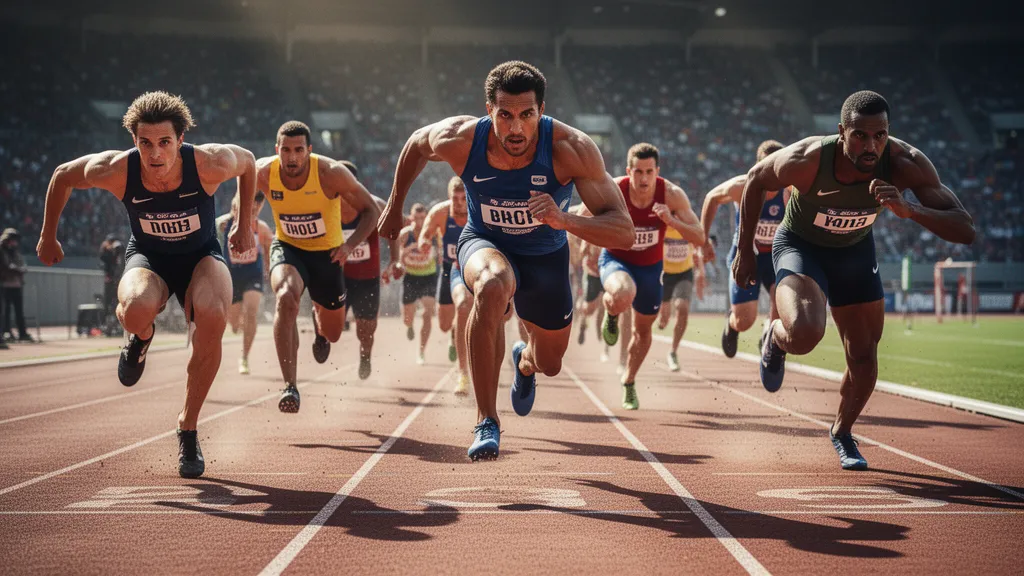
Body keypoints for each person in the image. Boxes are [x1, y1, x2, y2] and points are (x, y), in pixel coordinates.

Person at [378, 60, 634, 460]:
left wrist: (561, 218)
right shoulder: (462, 139)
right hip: (484, 240)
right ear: (489, 110)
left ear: (541, 111)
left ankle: (524, 361)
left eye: (527, 115)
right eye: (505, 115)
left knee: (550, 363)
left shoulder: (571, 149)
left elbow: (623, 230)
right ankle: (486, 421)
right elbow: (416, 143)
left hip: (545, 257)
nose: (516, 128)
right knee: (492, 284)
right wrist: (395, 207)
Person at [733, 91, 975, 470]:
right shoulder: (809, 158)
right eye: (861, 135)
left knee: (864, 357)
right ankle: (773, 337)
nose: (871, 145)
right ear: (841, 131)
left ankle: (842, 432)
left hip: (855, 252)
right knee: (805, 333)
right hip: (801, 245)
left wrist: (910, 209)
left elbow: (965, 229)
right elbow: (755, 179)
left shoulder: (905, 162)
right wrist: (745, 250)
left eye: (880, 135)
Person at [37, 91, 258, 478]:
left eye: (164, 143)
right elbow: (62, 175)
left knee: (213, 316)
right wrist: (48, 235)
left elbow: (249, 162)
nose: (155, 153)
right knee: (134, 309)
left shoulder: (209, 163)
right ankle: (141, 336)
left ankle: (187, 428)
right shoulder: (116, 169)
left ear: (181, 139)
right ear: (134, 141)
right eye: (145, 143)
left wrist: (243, 225)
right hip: (150, 258)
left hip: (202, 256)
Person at [259, 121, 380, 413]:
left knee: (334, 333)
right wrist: (239, 225)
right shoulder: (264, 171)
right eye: (285, 150)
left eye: (298, 150)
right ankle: (290, 386)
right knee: (286, 297)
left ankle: (320, 323)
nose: (291, 157)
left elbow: (371, 211)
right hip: (288, 247)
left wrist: (349, 247)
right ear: (277, 150)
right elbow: (244, 179)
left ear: (309, 151)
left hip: (327, 256)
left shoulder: (330, 173)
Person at [592, 143, 705, 409]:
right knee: (622, 293)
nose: (643, 179)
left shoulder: (672, 196)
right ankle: (612, 311)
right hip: (615, 259)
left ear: (657, 171)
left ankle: (629, 381)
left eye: (649, 172)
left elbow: (699, 236)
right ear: (629, 171)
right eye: (638, 172)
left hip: (651, 270)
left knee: (643, 333)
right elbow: (583, 214)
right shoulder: (615, 189)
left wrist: (671, 221)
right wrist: (555, 218)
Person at [698, 140, 790, 358]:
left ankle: (770, 332)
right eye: (768, 167)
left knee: (782, 307)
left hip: (776, 257)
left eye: (779, 168)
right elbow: (712, 198)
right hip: (746, 256)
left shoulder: (790, 191)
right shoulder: (742, 186)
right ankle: (732, 324)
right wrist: (704, 241)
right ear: (758, 167)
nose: (773, 175)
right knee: (745, 320)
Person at [339, 160, 398, 380]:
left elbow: (393, 230)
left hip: (367, 278)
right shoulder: (326, 205)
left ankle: (365, 356)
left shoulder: (375, 205)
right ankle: (321, 337)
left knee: (366, 329)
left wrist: (394, 260)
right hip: (339, 276)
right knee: (330, 325)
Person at [419, 176, 473, 392]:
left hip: (473, 270)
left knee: (464, 308)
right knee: (443, 324)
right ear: (449, 198)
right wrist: (424, 243)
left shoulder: (476, 210)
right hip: (449, 269)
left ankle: (463, 374)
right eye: (455, 198)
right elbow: (426, 234)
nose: (460, 203)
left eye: (463, 198)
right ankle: (454, 332)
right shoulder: (440, 213)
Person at [215, 191, 273, 374]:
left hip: (252, 275)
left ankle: (245, 357)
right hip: (231, 277)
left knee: (251, 311)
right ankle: (239, 325)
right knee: (233, 325)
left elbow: (270, 251)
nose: (253, 210)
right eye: (250, 206)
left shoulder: (261, 228)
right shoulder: (223, 224)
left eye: (257, 207)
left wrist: (272, 273)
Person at [658, 215, 705, 372]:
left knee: (682, 307)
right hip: (664, 273)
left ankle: (673, 351)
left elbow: (698, 246)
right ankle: (663, 311)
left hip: (684, 272)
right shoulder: (661, 224)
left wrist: (701, 272)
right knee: (663, 321)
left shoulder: (687, 223)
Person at [397, 203, 439, 365]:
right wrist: (402, 262)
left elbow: (440, 252)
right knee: (407, 318)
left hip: (428, 276)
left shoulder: (433, 233)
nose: (420, 222)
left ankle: (421, 351)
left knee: (428, 312)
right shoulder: (405, 235)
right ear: (411, 218)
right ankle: (409, 326)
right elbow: (399, 257)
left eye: (423, 218)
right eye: (417, 218)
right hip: (411, 277)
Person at [1, 228, 32, 343]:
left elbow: (22, 266)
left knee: (19, 311)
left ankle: (22, 333)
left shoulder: (15, 252)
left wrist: (18, 270)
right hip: (5, 285)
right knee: (5, 311)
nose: (14, 242)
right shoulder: (2, 251)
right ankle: (6, 332)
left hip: (16, 285)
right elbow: (6, 267)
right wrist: (16, 270)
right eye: (12, 240)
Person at [98, 233, 126, 336]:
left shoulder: (117, 249)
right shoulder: (105, 252)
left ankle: (117, 326)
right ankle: (105, 326)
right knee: (107, 304)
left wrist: (116, 247)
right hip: (110, 281)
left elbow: (122, 249)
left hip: (118, 281)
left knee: (118, 302)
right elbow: (104, 260)